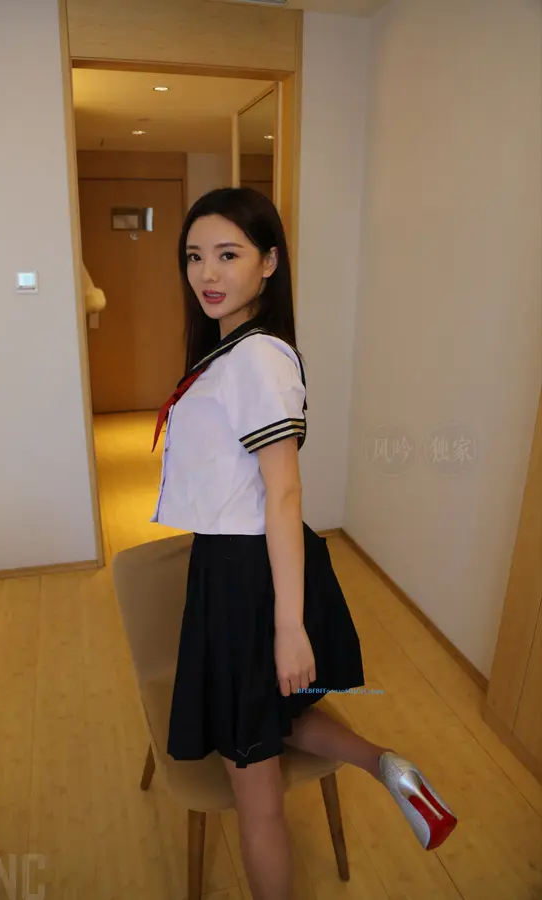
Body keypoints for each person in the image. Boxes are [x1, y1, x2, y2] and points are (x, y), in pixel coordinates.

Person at [150, 187, 457, 899]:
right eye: (194, 256)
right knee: (274, 717)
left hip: (246, 574)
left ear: (269, 263)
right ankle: (389, 767)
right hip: (233, 563)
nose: (207, 273)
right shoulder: (234, 351)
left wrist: (288, 627)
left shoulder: (259, 359)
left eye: (228, 254)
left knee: (255, 797)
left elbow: (284, 493)